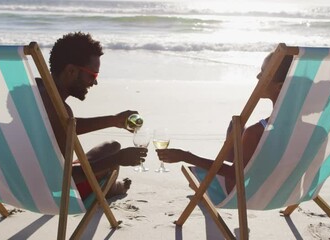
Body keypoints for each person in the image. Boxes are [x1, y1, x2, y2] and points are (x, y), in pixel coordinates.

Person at [156, 52, 293, 193]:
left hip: (251, 193)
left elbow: (235, 175)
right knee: (235, 137)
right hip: (289, 190)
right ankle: (233, 146)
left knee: (195, 172)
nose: (257, 77)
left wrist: (186, 156)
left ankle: (231, 148)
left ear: (279, 86)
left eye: (264, 73)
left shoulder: (257, 132)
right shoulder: (311, 130)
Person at [36, 32, 147, 199]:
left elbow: (59, 126)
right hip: (52, 191)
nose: (94, 82)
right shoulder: (59, 109)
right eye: (92, 75)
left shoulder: (32, 92)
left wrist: (113, 120)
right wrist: (118, 159)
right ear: (71, 71)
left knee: (111, 146)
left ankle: (111, 181)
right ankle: (113, 188)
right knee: (113, 159)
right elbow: (67, 178)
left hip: (15, 181)